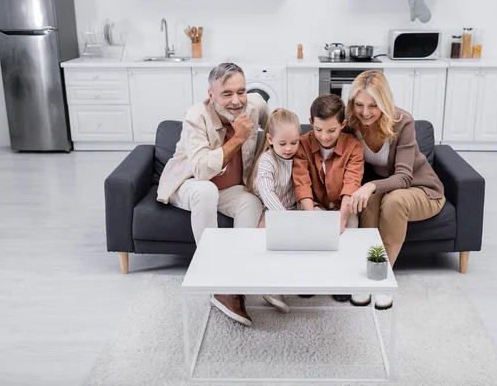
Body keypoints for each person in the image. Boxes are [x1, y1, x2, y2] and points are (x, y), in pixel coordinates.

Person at [156, 62, 268, 327]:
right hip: (189, 184)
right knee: (206, 190)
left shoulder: (256, 106)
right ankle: (216, 280)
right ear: (211, 95)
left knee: (251, 201)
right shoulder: (195, 117)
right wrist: (238, 138)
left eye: (241, 91)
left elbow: (278, 127)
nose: (236, 100)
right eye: (227, 93)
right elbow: (201, 171)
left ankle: (240, 275)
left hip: (230, 189)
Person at [345, 70, 446, 310]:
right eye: (359, 104)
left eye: (373, 105)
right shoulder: (352, 123)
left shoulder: (402, 121)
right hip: (386, 188)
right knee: (368, 201)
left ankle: (382, 279)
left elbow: (403, 177)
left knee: (393, 201)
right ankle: (366, 274)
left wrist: (369, 186)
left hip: (422, 189)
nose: (366, 112)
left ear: (385, 102)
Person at [292, 94, 364, 302]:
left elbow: (352, 183)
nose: (324, 136)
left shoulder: (354, 147)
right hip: (314, 205)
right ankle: (311, 277)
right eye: (319, 130)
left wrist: (341, 219)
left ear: (342, 124)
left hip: (343, 206)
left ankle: (343, 279)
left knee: (350, 224)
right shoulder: (303, 145)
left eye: (331, 131)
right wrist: (311, 215)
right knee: (307, 229)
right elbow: (301, 183)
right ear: (311, 122)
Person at [245, 108, 302, 314]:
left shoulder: (299, 157)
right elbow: (267, 192)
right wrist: (284, 218)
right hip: (271, 210)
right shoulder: (267, 160)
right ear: (270, 139)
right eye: (283, 143)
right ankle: (271, 286)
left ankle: (299, 280)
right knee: (267, 237)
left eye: (294, 143)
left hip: (293, 209)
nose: (289, 148)